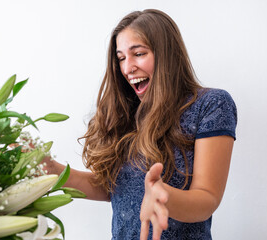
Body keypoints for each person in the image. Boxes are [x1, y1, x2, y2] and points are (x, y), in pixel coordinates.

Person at [42, 9, 237, 240]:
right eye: (122, 58)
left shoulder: (210, 104)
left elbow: (207, 198)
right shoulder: (125, 112)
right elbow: (113, 188)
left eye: (139, 53)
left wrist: (163, 195)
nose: (127, 68)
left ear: (167, 55)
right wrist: (53, 171)